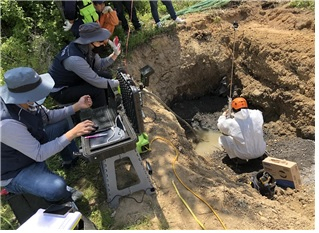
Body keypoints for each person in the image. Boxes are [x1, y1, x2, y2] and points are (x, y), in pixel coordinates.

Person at [0, 67, 97, 203]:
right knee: (57, 188)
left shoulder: (26, 101)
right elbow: (39, 154)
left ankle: (71, 160)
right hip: (17, 170)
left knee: (62, 123)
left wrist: (77, 106)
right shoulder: (6, 123)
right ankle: (65, 201)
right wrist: (73, 133)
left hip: (33, 145)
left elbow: (48, 117)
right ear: (25, 95)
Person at [49, 22, 121, 109]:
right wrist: (119, 82)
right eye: (101, 41)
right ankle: (103, 114)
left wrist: (115, 54)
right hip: (61, 91)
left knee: (106, 76)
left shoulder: (89, 48)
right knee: (97, 90)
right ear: (90, 41)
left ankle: (111, 105)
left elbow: (99, 65)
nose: (103, 43)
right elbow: (97, 82)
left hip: (74, 81)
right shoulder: (75, 59)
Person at [217, 97, 266, 163]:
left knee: (222, 139)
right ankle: (258, 157)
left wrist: (223, 116)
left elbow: (220, 126)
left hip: (243, 155)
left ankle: (239, 159)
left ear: (233, 110)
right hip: (261, 151)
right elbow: (248, 114)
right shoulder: (257, 114)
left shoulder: (232, 123)